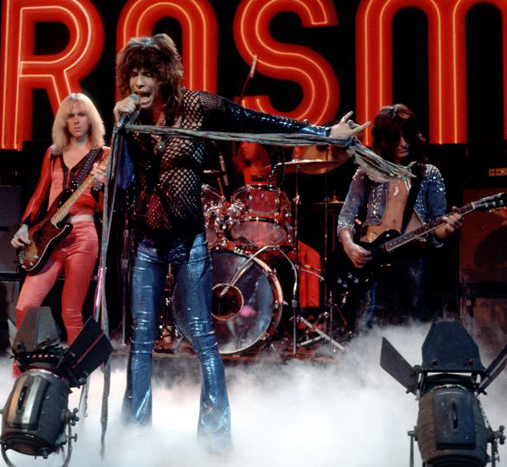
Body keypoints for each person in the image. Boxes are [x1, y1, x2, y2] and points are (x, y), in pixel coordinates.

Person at [113, 33, 366, 451]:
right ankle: (134, 439)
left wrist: (324, 132)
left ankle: (215, 440)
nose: (140, 82)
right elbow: (121, 181)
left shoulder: (197, 107)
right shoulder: (131, 123)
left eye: (148, 74)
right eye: (134, 74)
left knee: (201, 334)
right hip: (147, 243)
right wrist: (121, 129)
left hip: (190, 240)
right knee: (141, 339)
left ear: (164, 76)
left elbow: (260, 122)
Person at [337, 103, 463, 328]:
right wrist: (349, 246)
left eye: (407, 136)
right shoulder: (366, 173)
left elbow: (438, 229)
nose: (404, 143)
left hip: (413, 262)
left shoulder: (428, 174)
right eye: (396, 138)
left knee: (412, 328)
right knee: (367, 329)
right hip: (373, 261)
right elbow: (346, 216)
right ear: (383, 139)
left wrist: (449, 228)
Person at [11, 93, 108, 362]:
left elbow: (104, 208)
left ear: (91, 119)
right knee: (24, 306)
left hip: (82, 236)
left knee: (71, 312)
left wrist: (99, 186)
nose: (76, 120)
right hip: (48, 238)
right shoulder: (53, 154)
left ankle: (77, 374)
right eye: (71, 115)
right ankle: (24, 370)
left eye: (81, 114)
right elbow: (39, 195)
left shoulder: (103, 155)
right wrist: (24, 227)